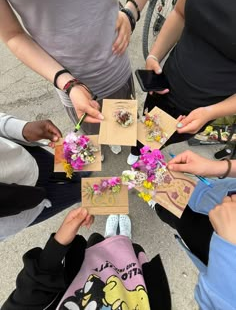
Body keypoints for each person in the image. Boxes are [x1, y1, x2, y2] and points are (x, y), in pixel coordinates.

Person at [0, 0, 150, 156]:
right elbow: (13, 35)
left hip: (114, 65)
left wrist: (131, 9)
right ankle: (99, 142)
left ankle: (113, 139)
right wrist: (68, 83)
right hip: (65, 78)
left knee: (120, 125)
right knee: (91, 130)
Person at [128, 0, 236, 164]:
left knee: (169, 136)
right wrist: (154, 56)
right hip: (166, 79)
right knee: (147, 121)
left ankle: (149, 152)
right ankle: (137, 149)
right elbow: (179, 13)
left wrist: (210, 113)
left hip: (203, 106)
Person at [1, 210, 172, 310]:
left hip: (84, 269)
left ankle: (111, 239)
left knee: (96, 241)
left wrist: (58, 243)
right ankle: (122, 240)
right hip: (133, 281)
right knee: (131, 250)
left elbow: (25, 298)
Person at [0, 112, 90, 241]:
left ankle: (78, 176)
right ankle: (80, 190)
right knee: (82, 192)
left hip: (24, 158)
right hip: (23, 211)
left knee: (68, 171)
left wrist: (21, 128)